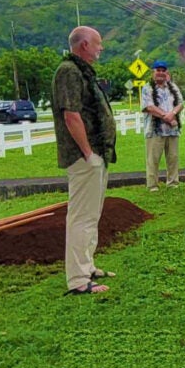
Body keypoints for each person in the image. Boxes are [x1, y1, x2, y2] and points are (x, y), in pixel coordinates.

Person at [52, 26, 117, 295]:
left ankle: (87, 265)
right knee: (81, 217)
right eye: (98, 43)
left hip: (96, 153)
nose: (101, 48)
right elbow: (71, 115)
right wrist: (88, 153)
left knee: (92, 215)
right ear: (85, 45)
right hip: (83, 156)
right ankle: (78, 279)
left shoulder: (82, 71)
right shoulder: (68, 71)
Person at [141, 59, 184, 192]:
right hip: (154, 130)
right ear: (153, 72)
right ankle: (152, 185)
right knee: (153, 159)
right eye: (158, 70)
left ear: (167, 72)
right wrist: (168, 117)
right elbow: (149, 107)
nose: (160, 73)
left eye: (163, 70)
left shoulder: (173, 87)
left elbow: (180, 103)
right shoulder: (147, 88)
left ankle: (173, 183)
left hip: (172, 130)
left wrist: (173, 113)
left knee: (173, 158)